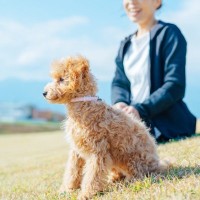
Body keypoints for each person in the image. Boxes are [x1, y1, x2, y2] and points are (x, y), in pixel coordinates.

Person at [111, 0, 197, 142]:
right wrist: (120, 102)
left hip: (166, 126)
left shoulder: (169, 33)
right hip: (132, 125)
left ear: (157, 2)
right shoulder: (125, 45)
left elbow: (175, 85)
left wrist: (140, 110)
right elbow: (119, 83)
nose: (132, 2)